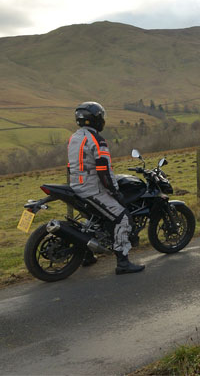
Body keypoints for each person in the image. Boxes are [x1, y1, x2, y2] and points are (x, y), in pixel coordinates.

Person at [68, 101, 144, 275]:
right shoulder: (97, 139)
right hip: (92, 188)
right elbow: (103, 170)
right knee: (123, 217)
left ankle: (87, 255)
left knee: (92, 221)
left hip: (77, 185)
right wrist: (115, 192)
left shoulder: (75, 138)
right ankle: (123, 262)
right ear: (96, 119)